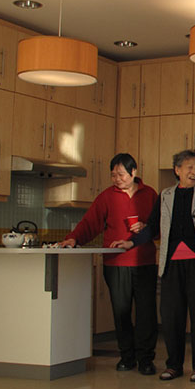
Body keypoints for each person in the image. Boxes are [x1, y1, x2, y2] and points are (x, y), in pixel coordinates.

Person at [113, 149, 195, 383]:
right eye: (189, 167)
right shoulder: (165, 196)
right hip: (171, 265)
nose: (194, 172)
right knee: (172, 316)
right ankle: (174, 365)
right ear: (177, 170)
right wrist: (131, 242)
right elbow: (152, 228)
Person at [59, 153, 158, 375]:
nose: (117, 179)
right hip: (115, 263)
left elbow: (159, 226)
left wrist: (144, 226)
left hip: (145, 262)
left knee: (146, 312)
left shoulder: (150, 194)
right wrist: (74, 238)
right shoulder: (106, 197)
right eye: (113, 175)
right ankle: (127, 356)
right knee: (121, 312)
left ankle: (146, 359)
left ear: (134, 173)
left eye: (121, 174)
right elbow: (90, 223)